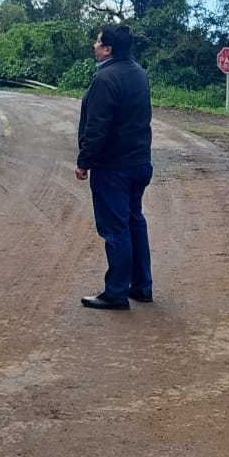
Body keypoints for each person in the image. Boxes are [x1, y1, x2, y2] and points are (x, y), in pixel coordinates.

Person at [74, 24, 154, 310]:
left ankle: (116, 292)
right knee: (134, 222)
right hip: (139, 162)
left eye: (98, 42)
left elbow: (97, 127)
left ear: (108, 49)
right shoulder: (139, 73)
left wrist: (84, 161)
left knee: (116, 228)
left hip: (114, 167)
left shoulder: (105, 79)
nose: (94, 46)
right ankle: (142, 286)